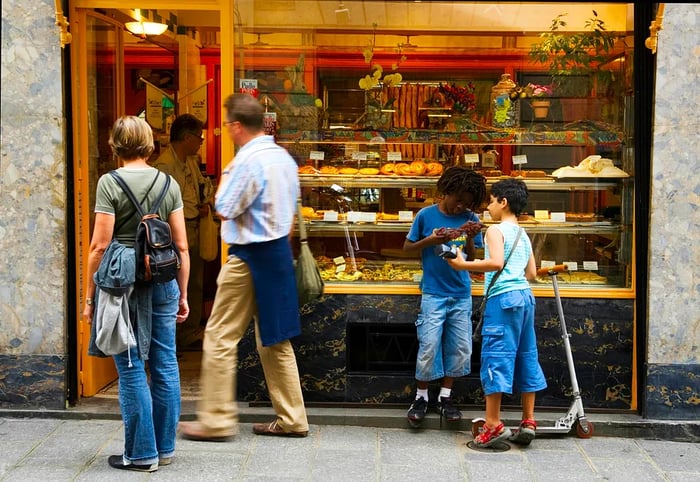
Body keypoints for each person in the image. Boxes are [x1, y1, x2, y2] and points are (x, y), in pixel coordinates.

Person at [179, 93, 309, 441]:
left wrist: (224, 180)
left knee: (220, 336)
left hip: (249, 256)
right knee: (275, 339)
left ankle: (217, 420)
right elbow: (293, 212)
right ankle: (293, 417)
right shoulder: (283, 159)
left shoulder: (247, 161)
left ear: (237, 126)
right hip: (279, 253)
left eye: (227, 125)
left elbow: (224, 206)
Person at [83, 115, 190, 472]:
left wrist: (88, 297)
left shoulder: (109, 183)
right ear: (149, 144)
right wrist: (183, 294)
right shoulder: (168, 182)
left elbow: (99, 246)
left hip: (122, 283)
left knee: (130, 365)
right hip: (162, 280)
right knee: (165, 363)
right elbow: (181, 247)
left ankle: (141, 454)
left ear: (114, 145)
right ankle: (165, 448)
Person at [447, 178, 547, 448]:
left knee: (497, 357)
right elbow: (532, 274)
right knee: (526, 355)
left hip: (503, 300)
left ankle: (493, 425)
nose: (488, 206)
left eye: (491, 201)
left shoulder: (495, 230)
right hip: (525, 298)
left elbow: (496, 263)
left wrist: (461, 264)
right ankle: (528, 420)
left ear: (503, 202)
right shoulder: (523, 233)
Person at [403, 167, 487, 427]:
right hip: (433, 293)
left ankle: (446, 396)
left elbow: (474, 260)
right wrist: (431, 239)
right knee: (428, 345)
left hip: (461, 294)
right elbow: (407, 249)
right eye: (458, 199)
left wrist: (470, 238)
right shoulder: (426, 215)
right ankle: (421, 396)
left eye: (467, 202)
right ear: (446, 191)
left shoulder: (470, 217)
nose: (460, 206)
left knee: (460, 347)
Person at [152, 113, 213, 351]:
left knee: (194, 283)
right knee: (176, 283)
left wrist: (204, 203)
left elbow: (200, 186)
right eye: (199, 137)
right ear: (187, 137)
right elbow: (161, 205)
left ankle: (188, 333)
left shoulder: (189, 162)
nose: (201, 142)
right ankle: (173, 338)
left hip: (193, 227)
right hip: (177, 230)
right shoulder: (165, 166)